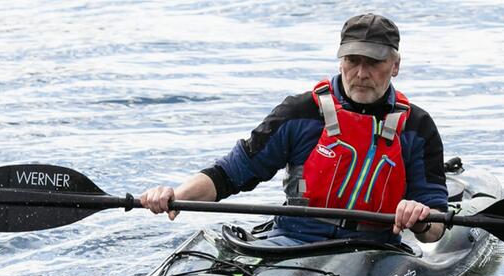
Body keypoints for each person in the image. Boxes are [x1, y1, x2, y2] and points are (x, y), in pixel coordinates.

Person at [140, 14, 448, 245]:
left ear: (395, 65)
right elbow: (229, 173)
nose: (362, 73)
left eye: (374, 62)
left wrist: (419, 219)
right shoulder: (300, 113)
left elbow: (435, 228)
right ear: (341, 60)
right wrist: (174, 195)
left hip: (374, 250)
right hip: (294, 241)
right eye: (353, 60)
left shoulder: (417, 129)